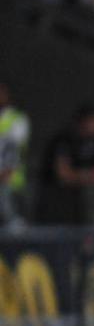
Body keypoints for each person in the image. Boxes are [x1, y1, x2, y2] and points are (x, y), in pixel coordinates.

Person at [35, 104, 94, 226]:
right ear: (84, 122)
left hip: (79, 203)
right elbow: (63, 175)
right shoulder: (64, 140)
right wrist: (87, 176)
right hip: (54, 201)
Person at [0, 83, 31, 227]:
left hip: (10, 181)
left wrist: (7, 171)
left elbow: (15, 147)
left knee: (13, 225)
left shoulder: (16, 119)